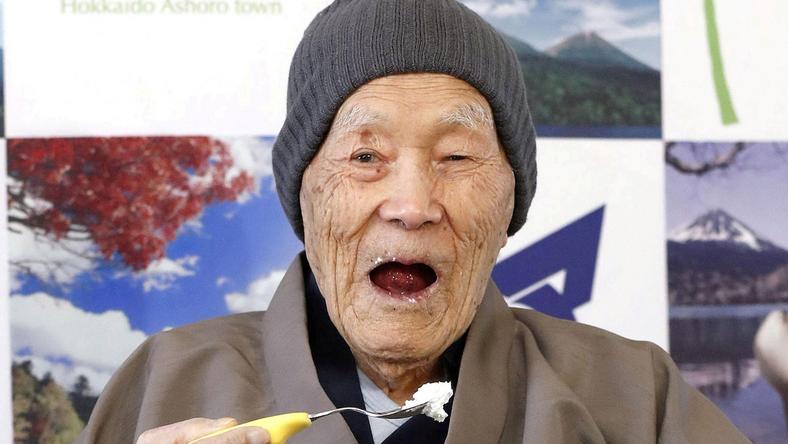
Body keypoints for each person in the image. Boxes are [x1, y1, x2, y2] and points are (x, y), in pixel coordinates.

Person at [77, 1, 751, 443]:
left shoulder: (637, 398)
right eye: (365, 155)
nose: (413, 203)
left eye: (457, 156)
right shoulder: (166, 380)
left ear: (511, 199)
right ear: (303, 192)